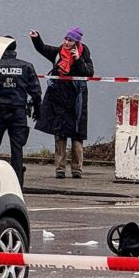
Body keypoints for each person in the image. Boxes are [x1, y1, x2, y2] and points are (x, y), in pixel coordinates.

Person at [30, 27, 95, 179]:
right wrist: (36, 37)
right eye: (65, 39)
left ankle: (77, 168)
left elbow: (88, 73)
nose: (66, 42)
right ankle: (60, 168)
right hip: (59, 98)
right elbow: (42, 48)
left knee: (77, 135)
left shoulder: (84, 54)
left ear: (77, 42)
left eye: (70, 40)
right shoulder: (58, 53)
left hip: (77, 100)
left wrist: (78, 59)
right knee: (60, 134)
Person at [0, 38, 42, 187]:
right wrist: (37, 111)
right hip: (18, 113)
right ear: (14, 49)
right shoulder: (26, 67)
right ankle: (17, 184)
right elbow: (36, 93)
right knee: (17, 149)